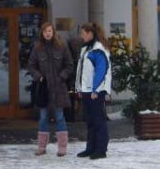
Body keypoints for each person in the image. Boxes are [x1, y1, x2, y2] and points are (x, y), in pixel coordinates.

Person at [26, 21, 75, 157]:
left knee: (60, 117)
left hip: (59, 88)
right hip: (44, 89)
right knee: (43, 118)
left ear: (53, 32)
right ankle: (41, 147)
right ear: (42, 33)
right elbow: (31, 65)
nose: (47, 33)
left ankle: (62, 147)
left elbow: (69, 65)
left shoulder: (62, 46)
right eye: (45, 31)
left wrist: (62, 76)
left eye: (49, 31)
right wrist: (39, 77)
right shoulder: (37, 48)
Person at [75, 22, 112, 159]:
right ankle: (90, 148)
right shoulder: (86, 49)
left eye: (83, 33)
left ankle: (101, 149)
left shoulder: (98, 49)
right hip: (86, 90)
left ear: (90, 34)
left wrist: (96, 90)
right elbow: (81, 71)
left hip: (95, 91)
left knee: (99, 120)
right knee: (90, 121)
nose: (82, 36)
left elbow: (101, 71)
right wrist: (79, 87)